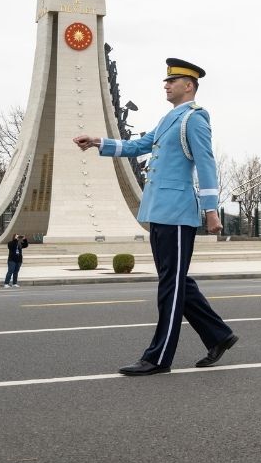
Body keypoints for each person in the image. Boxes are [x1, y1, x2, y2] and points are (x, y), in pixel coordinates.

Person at [73, 58, 238, 376]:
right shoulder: (168, 119)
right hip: (161, 211)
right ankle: (219, 336)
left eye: (172, 81)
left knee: (170, 287)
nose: (166, 85)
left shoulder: (194, 120)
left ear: (188, 86)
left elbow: (206, 164)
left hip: (178, 213)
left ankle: (158, 357)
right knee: (174, 282)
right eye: (166, 81)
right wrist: (98, 142)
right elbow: (138, 146)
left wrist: (211, 210)